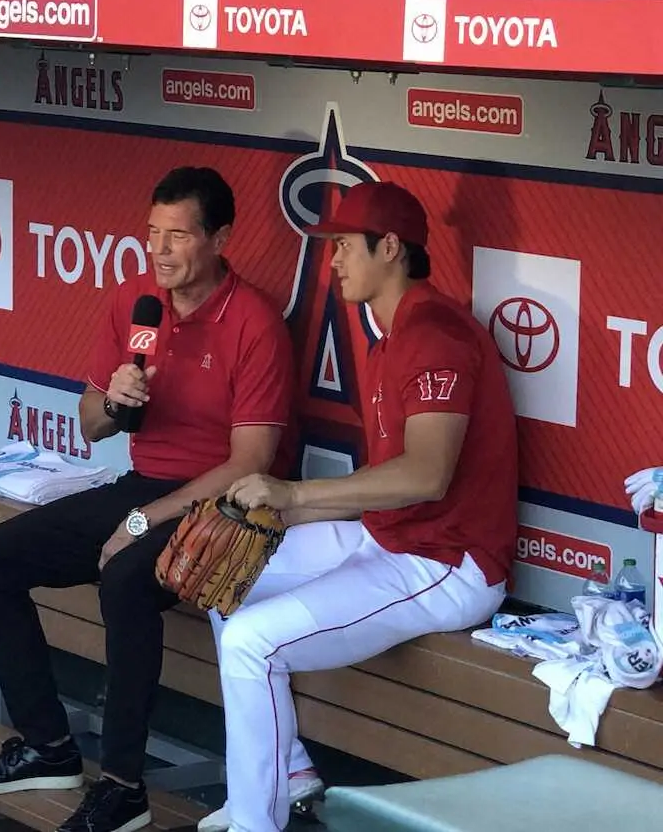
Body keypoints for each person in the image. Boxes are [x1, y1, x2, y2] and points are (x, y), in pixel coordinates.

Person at [0, 167, 296, 832]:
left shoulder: (254, 322)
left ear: (221, 238)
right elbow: (90, 425)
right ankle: (49, 747)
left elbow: (250, 464)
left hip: (229, 507)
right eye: (152, 233)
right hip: (145, 487)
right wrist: (114, 401)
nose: (160, 251)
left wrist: (141, 522)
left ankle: (122, 787)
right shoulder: (137, 303)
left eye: (179, 236)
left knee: (125, 577)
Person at [196, 181, 517, 832]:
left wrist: (295, 493)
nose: (333, 259)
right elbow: (383, 480)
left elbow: (426, 475)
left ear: (390, 248)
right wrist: (291, 515)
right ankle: (286, 772)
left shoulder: (436, 332)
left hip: (447, 564)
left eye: (344, 245)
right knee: (224, 574)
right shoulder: (387, 339)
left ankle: (256, 821)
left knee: (253, 641)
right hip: (390, 538)